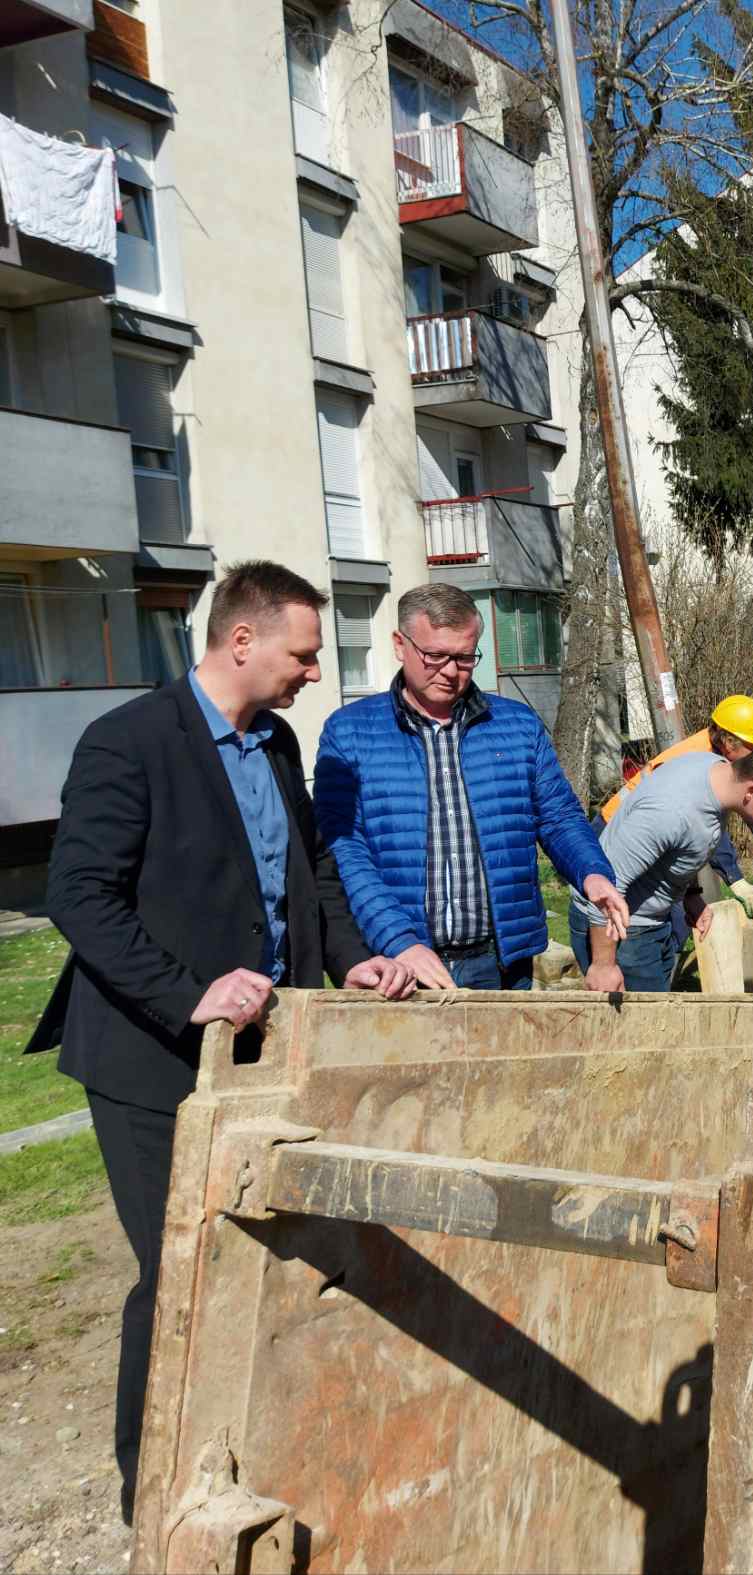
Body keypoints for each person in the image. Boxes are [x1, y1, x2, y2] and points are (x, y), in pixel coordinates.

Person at [25, 560, 415, 1525]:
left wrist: (350, 961)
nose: (314, 671)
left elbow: (307, 873)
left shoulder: (277, 743)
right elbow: (79, 898)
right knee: (179, 1270)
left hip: (259, 1050)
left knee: (264, 1256)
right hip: (148, 1059)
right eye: (304, 652)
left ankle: (245, 1452)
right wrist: (190, 995)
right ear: (242, 641)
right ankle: (149, 1487)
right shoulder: (128, 741)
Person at [314, 583, 628, 992]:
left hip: (499, 963)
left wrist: (592, 874)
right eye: (435, 656)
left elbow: (557, 817)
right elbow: (344, 850)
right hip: (398, 966)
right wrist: (396, 938)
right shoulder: (351, 732)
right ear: (399, 644)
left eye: (464, 658)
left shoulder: (517, 726)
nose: (450, 671)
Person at [570, 744, 753, 992]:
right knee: (645, 1028)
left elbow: (683, 845)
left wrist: (690, 895)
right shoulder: (670, 812)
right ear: (752, 791)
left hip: (649, 921)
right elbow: (606, 886)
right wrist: (603, 965)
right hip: (619, 929)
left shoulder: (714, 772)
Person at [599, 694, 753, 920]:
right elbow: (705, 829)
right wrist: (736, 880)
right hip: (616, 827)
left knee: (670, 916)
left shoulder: (725, 761)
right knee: (635, 912)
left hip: (652, 829)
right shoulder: (698, 759)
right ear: (729, 742)